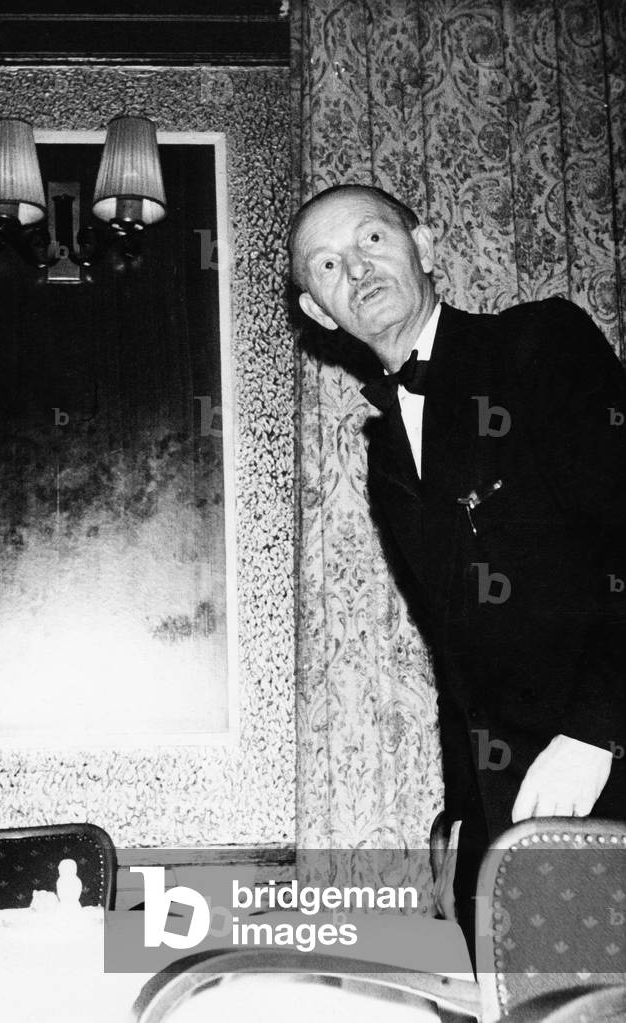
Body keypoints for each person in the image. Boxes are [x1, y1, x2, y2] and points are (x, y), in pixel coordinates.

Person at [288, 183, 626, 948]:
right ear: (318, 310)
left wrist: (595, 734)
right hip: (502, 817)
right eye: (329, 264)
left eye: (373, 239)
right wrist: (458, 818)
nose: (358, 268)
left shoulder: (539, 343)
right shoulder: (382, 458)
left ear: (426, 248)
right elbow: (456, 651)